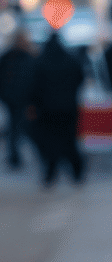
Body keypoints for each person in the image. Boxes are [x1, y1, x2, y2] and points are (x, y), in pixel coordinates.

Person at [28, 29, 86, 187]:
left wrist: (34, 104)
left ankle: (50, 174)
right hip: (68, 108)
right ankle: (77, 173)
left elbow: (33, 86)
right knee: (69, 141)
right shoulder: (70, 60)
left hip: (47, 110)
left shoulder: (40, 62)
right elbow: (80, 78)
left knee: (50, 143)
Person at [0, 28, 35, 169]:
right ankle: (14, 157)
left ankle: (15, 157)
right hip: (15, 98)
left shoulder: (21, 57)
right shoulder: (16, 57)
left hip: (18, 98)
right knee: (16, 128)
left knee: (16, 128)